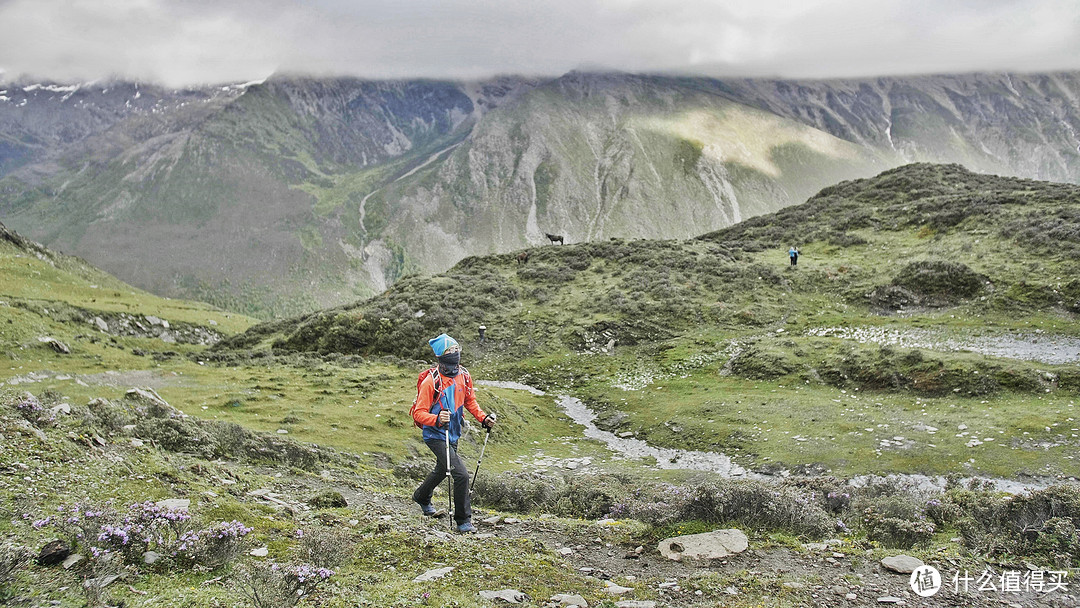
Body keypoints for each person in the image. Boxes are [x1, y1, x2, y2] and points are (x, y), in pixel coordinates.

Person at [410, 333, 496, 533]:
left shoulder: (464, 375)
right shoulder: (431, 381)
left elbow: (470, 401)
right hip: (435, 435)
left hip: (454, 432)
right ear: (441, 355)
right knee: (461, 475)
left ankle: (421, 496)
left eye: (457, 349)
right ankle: (463, 521)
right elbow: (419, 413)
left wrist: (483, 418)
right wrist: (437, 419)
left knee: (442, 469)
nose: (455, 353)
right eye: (450, 351)